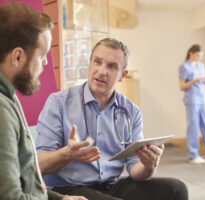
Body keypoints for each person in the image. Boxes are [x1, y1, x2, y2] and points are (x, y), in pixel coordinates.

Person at [36, 38, 188, 200]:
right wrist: (68, 154)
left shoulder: (131, 112)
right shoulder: (58, 103)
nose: (102, 71)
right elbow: (40, 165)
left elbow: (135, 171)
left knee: (176, 189)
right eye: (98, 62)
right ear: (90, 63)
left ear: (122, 75)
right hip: (68, 188)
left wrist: (149, 166)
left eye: (112, 66)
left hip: (111, 185)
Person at [0, 2, 86, 200]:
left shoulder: (8, 97)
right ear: (18, 56)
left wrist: (60, 199)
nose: (46, 63)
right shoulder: (2, 109)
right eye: (42, 54)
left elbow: (23, 181)